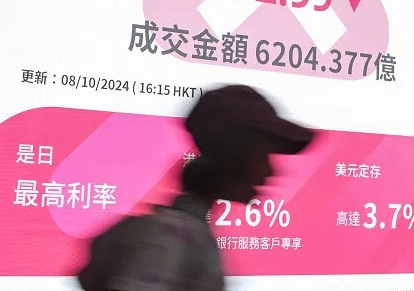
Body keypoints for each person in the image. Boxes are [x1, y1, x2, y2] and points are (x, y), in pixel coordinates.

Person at [78, 84, 314, 291]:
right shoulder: (174, 234)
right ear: (235, 155)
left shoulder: (184, 231)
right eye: (263, 155)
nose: (270, 172)